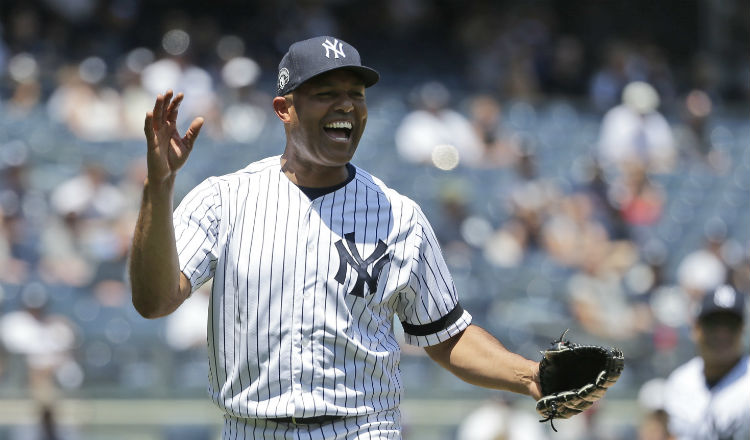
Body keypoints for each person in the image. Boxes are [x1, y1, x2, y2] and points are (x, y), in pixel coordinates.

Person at [129, 36, 557, 439]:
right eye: (326, 94)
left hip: (362, 428)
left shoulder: (399, 215)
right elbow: (155, 301)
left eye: (356, 94)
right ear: (284, 109)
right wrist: (159, 187)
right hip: (250, 428)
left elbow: (447, 336)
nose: (346, 105)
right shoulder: (223, 200)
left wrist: (532, 376)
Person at [662, 284, 749, 440]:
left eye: (731, 325)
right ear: (696, 329)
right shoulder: (680, 382)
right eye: (713, 324)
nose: (722, 335)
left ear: (743, 329)